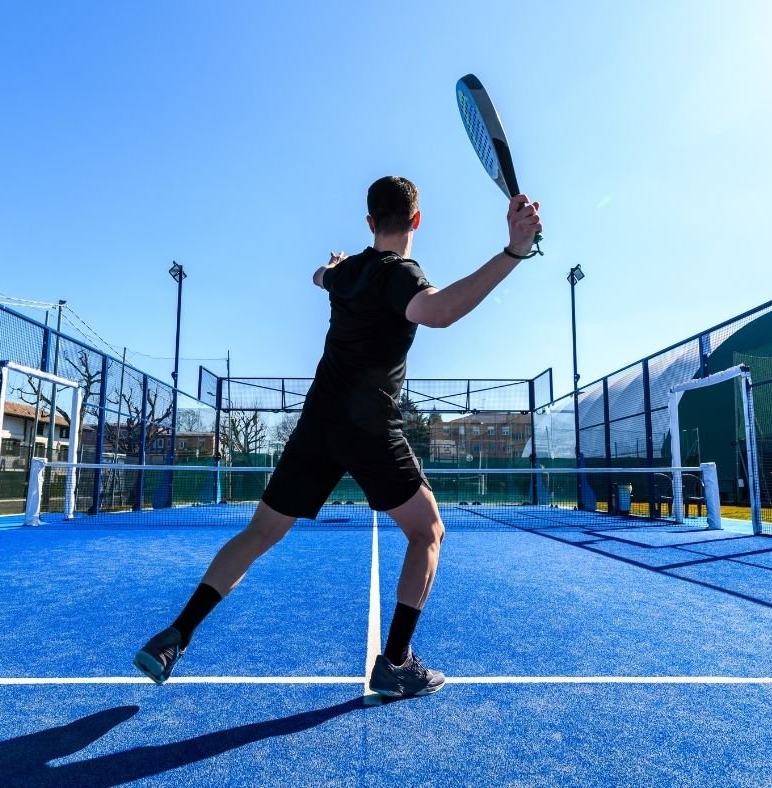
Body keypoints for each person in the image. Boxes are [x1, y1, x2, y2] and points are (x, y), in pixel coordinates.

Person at [135, 176, 542, 698]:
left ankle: (176, 634)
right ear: (417, 220)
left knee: (259, 533)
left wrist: (333, 265)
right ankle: (397, 662)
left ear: (370, 222)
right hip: (369, 427)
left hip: (318, 423)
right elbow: (438, 311)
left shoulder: (345, 273)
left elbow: (318, 276)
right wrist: (514, 251)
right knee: (428, 533)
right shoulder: (400, 274)